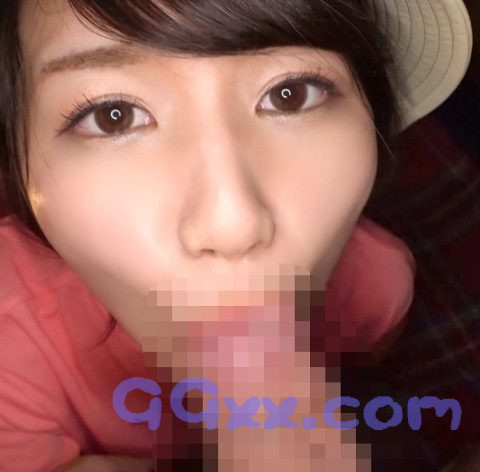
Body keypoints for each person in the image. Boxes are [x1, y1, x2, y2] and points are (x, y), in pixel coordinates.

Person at [0, 0, 472, 471]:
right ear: (16, 168)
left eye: (291, 94)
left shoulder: (378, 291)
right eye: (113, 115)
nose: (233, 224)